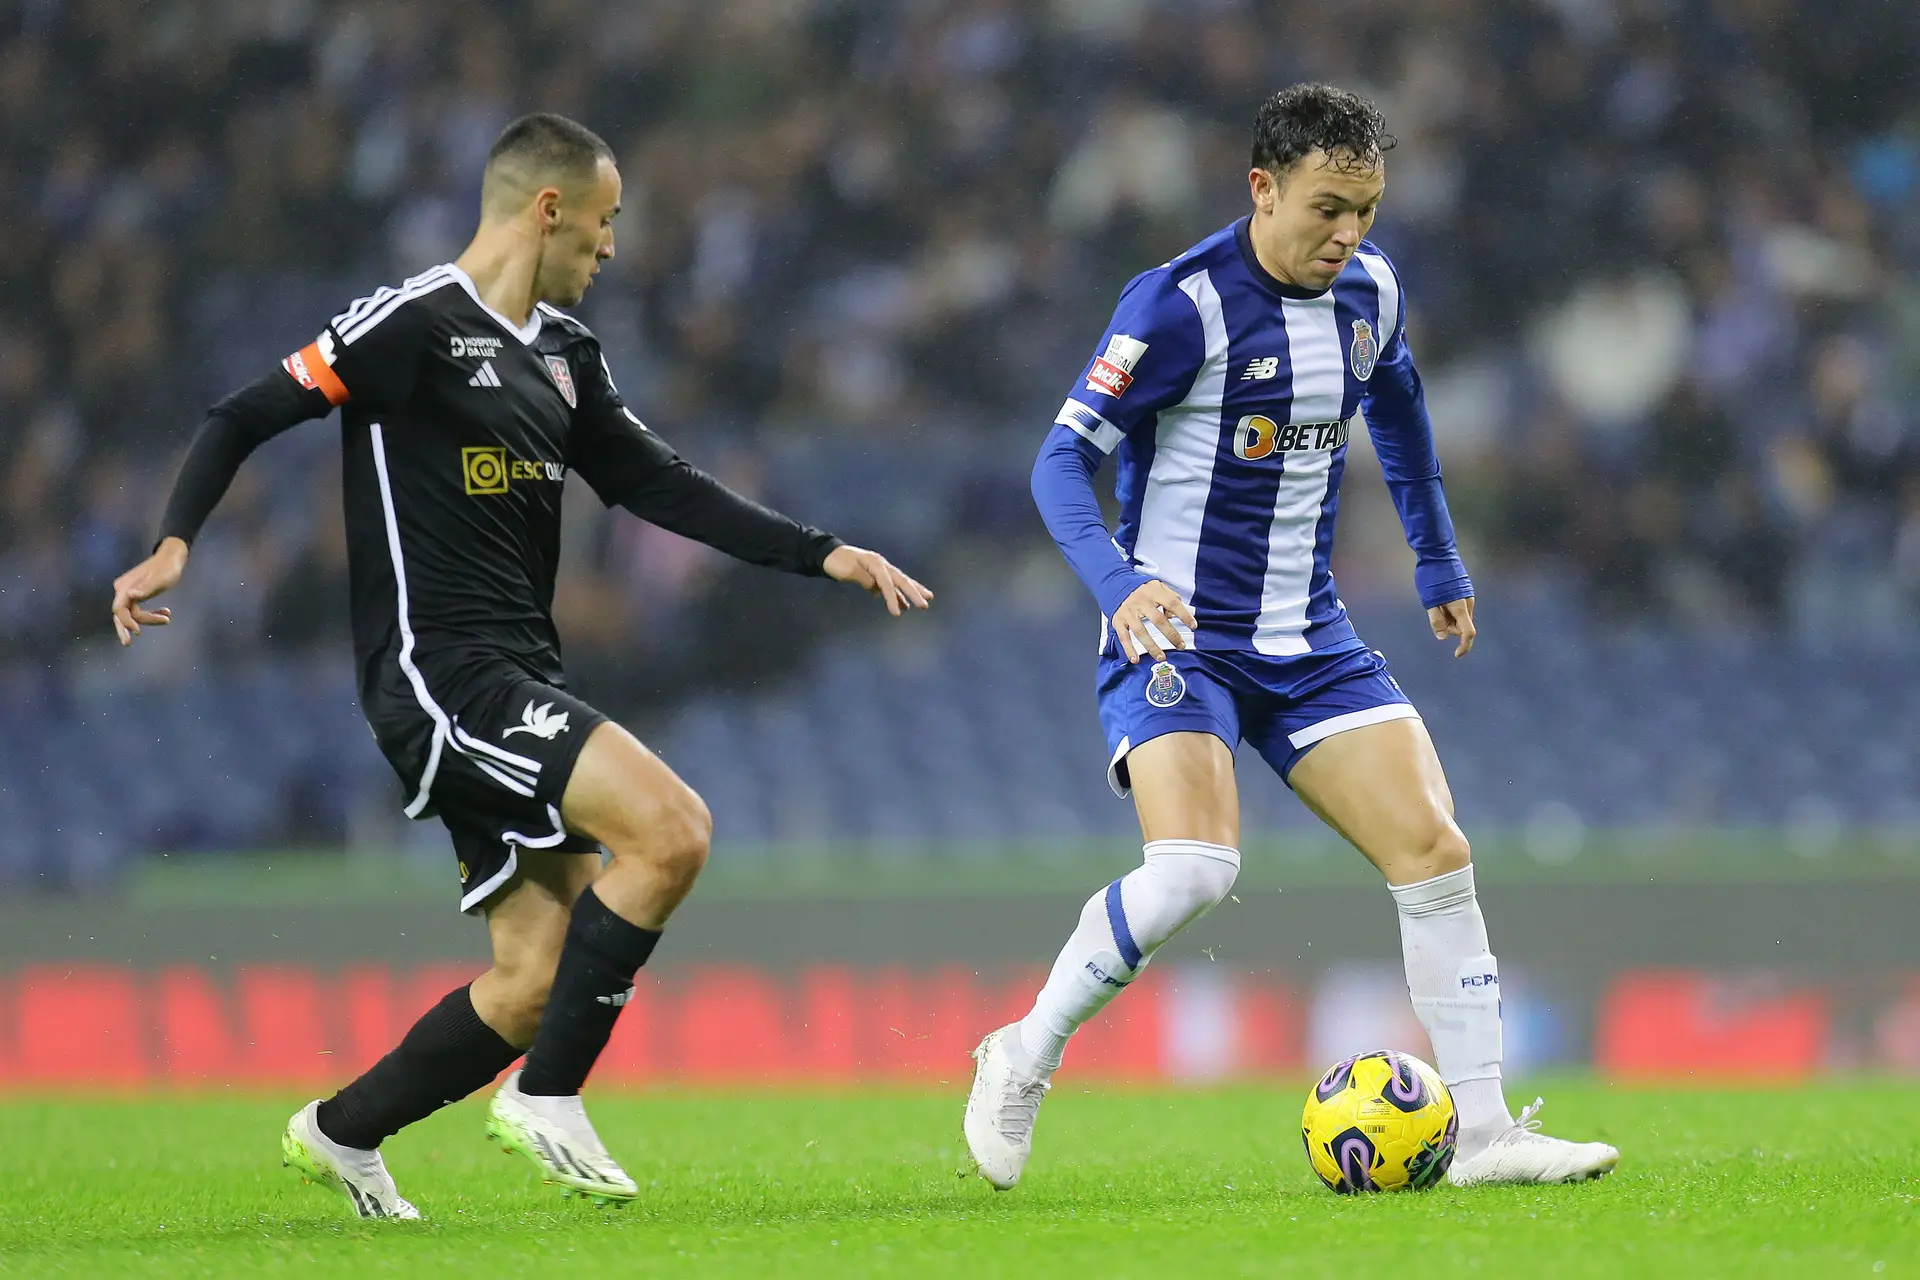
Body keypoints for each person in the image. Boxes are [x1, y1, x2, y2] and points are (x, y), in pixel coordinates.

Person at [110, 113, 932, 1218]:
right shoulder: (409, 324)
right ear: (550, 208)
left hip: (518, 671)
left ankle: (342, 1130)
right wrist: (175, 541)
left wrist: (819, 550)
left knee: (533, 979)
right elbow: (243, 411)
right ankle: (550, 1095)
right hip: (439, 676)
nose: (611, 247)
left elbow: (657, 482)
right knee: (673, 828)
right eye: (604, 222)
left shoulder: (565, 356)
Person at [962, 84, 1617, 1190]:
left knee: (1437, 853)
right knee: (1193, 870)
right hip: (1179, 635)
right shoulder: (1177, 305)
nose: (1348, 233)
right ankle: (1022, 1052)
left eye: (1365, 208)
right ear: (1262, 189)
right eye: (1326, 207)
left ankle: (1489, 1132)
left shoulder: (1371, 292)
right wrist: (1118, 581)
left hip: (1308, 637)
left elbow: (1400, 403)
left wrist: (1437, 556)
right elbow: (1059, 458)